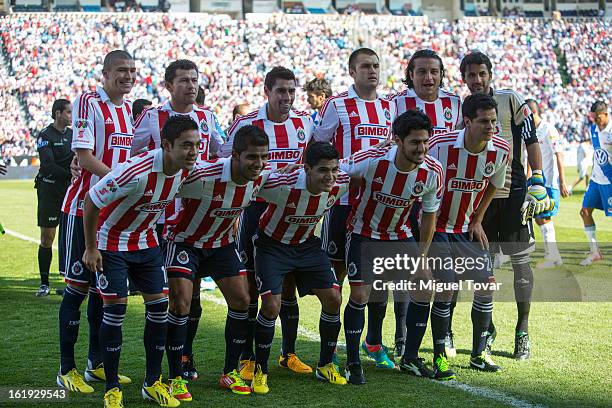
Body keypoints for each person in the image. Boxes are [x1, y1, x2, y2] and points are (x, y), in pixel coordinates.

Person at [81, 115, 200, 408]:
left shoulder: (186, 170)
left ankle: (151, 383)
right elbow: (91, 200)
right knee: (116, 311)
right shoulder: (135, 170)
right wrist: (90, 248)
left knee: (160, 308)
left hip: (147, 242)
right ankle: (111, 388)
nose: (194, 152)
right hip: (112, 243)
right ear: (167, 145)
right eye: (186, 145)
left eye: (197, 145)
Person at [132, 59, 225, 381]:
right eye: (183, 80)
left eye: (194, 79)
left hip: (199, 217)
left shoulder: (208, 117)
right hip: (159, 218)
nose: (190, 85)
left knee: (192, 295)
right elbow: (131, 158)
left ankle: (184, 355)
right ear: (169, 85)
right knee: (173, 297)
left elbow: (221, 155)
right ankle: (162, 364)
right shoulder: (151, 117)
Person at [219, 66, 315, 381]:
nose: (287, 97)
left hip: (292, 215)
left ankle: (288, 353)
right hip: (254, 212)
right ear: (267, 91)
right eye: (281, 91)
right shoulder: (246, 124)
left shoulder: (304, 123)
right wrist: (231, 214)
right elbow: (226, 166)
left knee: (287, 284)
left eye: (291, 91)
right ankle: (247, 357)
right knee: (250, 287)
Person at [164, 125, 270, 398]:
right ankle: (175, 376)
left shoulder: (259, 178)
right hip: (185, 241)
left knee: (242, 300)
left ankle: (229, 371)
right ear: (235, 155)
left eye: (263, 157)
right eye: (251, 157)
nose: (258, 164)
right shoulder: (203, 174)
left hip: (221, 244)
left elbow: (291, 177)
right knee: (181, 303)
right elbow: (163, 185)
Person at [341, 110, 443, 384]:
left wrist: (421, 258)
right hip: (363, 232)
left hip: (400, 234)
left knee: (425, 283)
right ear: (397, 140)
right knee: (361, 295)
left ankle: (410, 357)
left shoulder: (432, 171)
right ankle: (352, 362)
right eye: (415, 142)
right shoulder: (372, 160)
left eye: (425, 141)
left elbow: (430, 216)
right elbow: (336, 172)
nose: (421, 148)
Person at [460, 51, 550, 360]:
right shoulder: (464, 108)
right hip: (478, 195)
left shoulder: (510, 99)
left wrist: (537, 178)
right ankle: (487, 327)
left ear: (490, 74)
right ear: (464, 79)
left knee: (521, 263)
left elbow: (530, 139)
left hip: (512, 194)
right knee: (480, 268)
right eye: (471, 75)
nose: (477, 79)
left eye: (481, 73)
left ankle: (522, 330)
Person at [56, 50, 136, 393]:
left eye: (132, 70)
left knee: (104, 295)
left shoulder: (127, 110)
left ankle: (96, 364)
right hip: (82, 209)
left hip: (111, 215)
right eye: (121, 70)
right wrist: (122, 181)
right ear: (105, 73)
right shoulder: (89, 101)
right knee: (76, 291)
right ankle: (66, 368)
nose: (128, 76)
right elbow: (85, 158)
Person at [313, 48, 397, 369]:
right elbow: (319, 145)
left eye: (376, 66)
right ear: (352, 71)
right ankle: (331, 347)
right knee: (334, 279)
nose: (372, 71)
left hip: (378, 207)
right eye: (365, 66)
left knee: (377, 281)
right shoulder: (337, 105)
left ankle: (373, 343)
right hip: (342, 204)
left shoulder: (390, 107)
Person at [250, 142, 348, 394]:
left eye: (334, 170)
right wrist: (275, 168)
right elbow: (250, 177)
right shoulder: (282, 185)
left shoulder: (341, 181)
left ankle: (325, 365)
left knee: (334, 298)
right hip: (272, 245)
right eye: (323, 171)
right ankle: (260, 370)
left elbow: (361, 162)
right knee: (271, 305)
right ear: (306, 169)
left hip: (306, 245)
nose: (330, 176)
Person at [387, 49, 463, 360]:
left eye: (434, 71)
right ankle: (402, 334)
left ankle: (445, 332)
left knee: (448, 270)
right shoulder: (396, 102)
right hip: (407, 197)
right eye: (422, 71)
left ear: (442, 75)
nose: (428, 77)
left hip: (444, 197)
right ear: (411, 74)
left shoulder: (455, 103)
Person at [427, 94, 510, 379]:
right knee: (446, 287)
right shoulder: (440, 146)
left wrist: (477, 219)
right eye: (484, 121)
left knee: (487, 284)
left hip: (464, 228)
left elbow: (493, 186)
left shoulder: (500, 150)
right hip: (436, 228)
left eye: (493, 121)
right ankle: (439, 358)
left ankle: (479, 354)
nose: (491, 127)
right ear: (467, 121)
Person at [35, 99, 74, 297]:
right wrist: (72, 174)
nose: (71, 116)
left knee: (70, 239)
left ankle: (71, 283)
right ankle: (44, 283)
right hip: (50, 191)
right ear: (58, 113)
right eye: (68, 112)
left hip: (70, 192)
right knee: (47, 238)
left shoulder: (73, 134)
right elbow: (48, 166)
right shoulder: (45, 135)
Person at [526, 99, 569, 268]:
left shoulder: (549, 129)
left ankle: (552, 256)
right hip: (537, 181)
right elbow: (531, 155)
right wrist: (528, 178)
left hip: (549, 182)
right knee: (538, 218)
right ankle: (555, 255)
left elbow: (559, 155)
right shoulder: (530, 131)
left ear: (533, 113)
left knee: (544, 218)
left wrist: (563, 181)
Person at [579, 100, 611, 265]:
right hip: (596, 180)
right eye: (594, 118)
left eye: (599, 117)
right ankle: (595, 252)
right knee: (585, 212)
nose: (596, 121)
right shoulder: (593, 129)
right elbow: (598, 155)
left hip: (610, 181)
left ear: (606, 114)